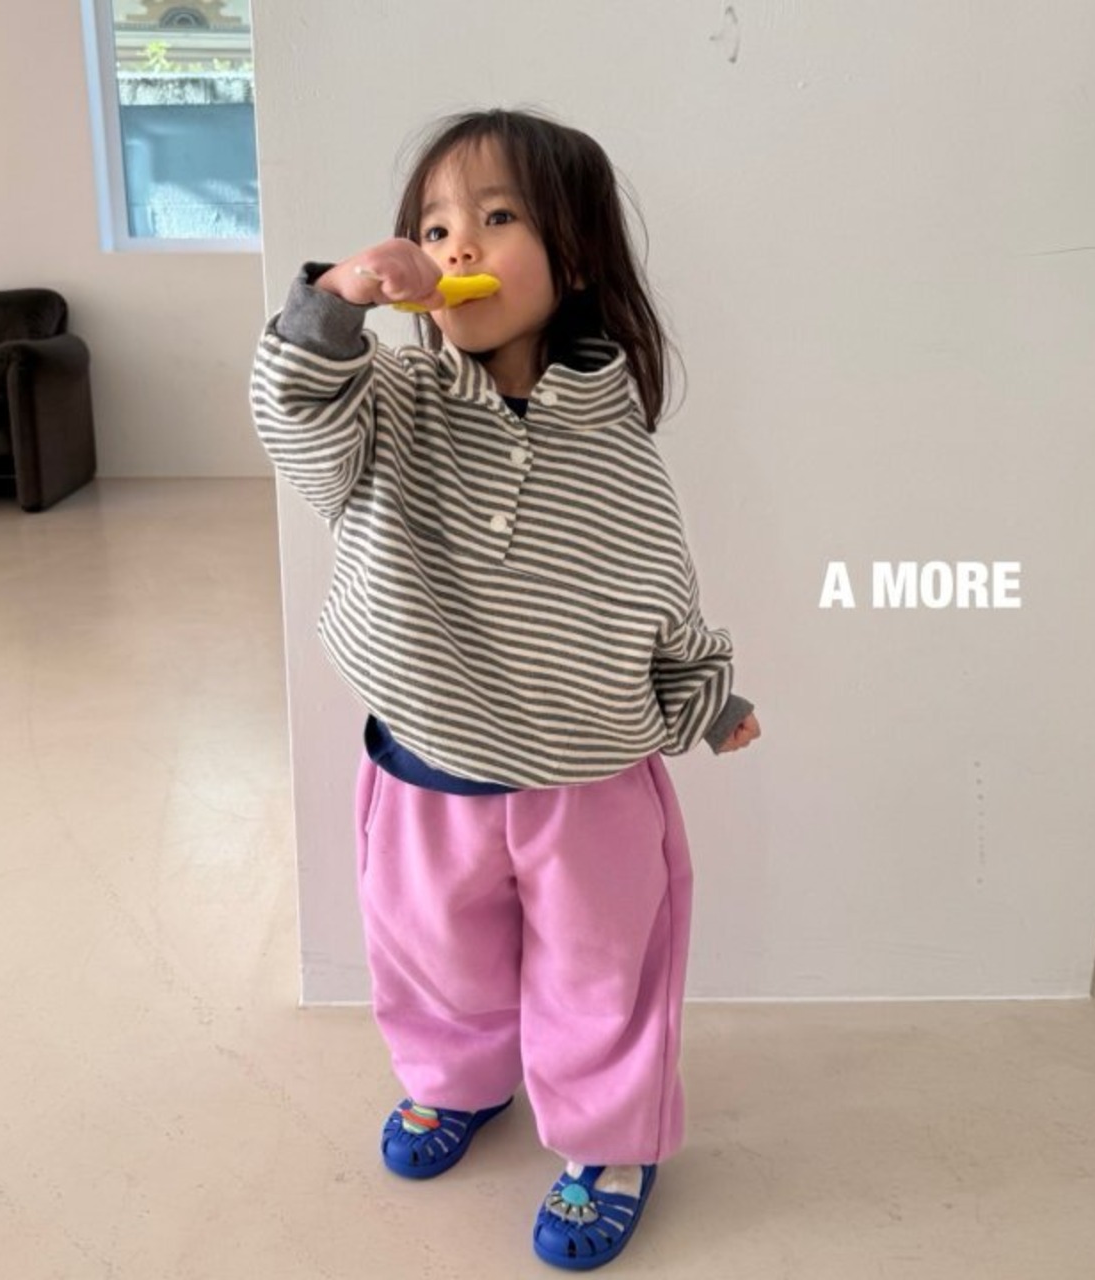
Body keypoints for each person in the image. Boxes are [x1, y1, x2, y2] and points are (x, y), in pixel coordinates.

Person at [249, 106, 762, 1271]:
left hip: (586, 779)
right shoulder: (385, 399)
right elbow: (293, 416)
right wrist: (334, 300)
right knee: (431, 951)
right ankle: (457, 1079)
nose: (457, 248)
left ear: (571, 258)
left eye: (494, 218)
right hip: (423, 765)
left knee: (599, 972)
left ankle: (606, 1139)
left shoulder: (612, 434)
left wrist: (702, 694)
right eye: (433, 228)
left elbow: (655, 579)